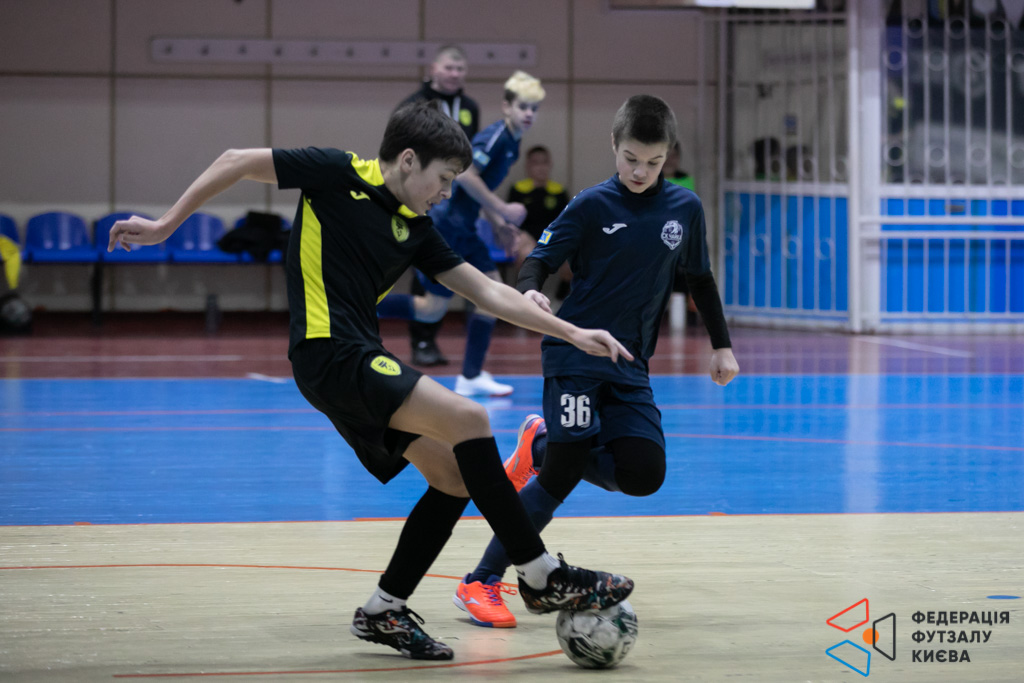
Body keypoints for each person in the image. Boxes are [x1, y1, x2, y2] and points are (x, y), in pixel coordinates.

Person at [106, 100, 635, 661]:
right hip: (329, 353)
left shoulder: (417, 229)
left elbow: (488, 292)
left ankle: (384, 610)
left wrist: (570, 331)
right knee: (470, 418)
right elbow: (236, 160)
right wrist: (164, 226)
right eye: (443, 178)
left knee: (454, 476)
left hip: (353, 360)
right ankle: (539, 573)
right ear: (408, 160)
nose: (445, 193)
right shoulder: (336, 172)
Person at [450, 95, 740, 629]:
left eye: (653, 162)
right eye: (631, 158)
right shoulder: (590, 205)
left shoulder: (685, 208)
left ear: (668, 155)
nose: (640, 171)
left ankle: (540, 444)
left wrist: (721, 345)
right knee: (561, 475)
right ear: (614, 145)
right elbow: (538, 260)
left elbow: (699, 277)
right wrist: (532, 291)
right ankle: (480, 581)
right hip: (575, 353)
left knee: (644, 473)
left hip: (630, 364)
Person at [377, 71, 542, 397]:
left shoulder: (513, 141)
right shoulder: (496, 137)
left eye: (534, 109)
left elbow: (478, 190)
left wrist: (497, 222)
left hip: (463, 227)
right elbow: (465, 175)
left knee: (446, 306)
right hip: (448, 225)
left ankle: (470, 376)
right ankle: (359, 303)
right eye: (523, 106)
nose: (528, 113)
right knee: (457, 302)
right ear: (506, 106)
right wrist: (502, 208)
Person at [396, 45, 480, 366]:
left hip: (458, 206)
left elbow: (470, 159)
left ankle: (436, 342)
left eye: (460, 69)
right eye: (449, 68)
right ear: (433, 68)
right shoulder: (414, 105)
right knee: (424, 268)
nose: (454, 74)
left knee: (445, 269)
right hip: (420, 199)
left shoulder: (469, 107)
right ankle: (420, 340)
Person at [506, 145, 572, 302]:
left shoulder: (559, 191)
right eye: (536, 163)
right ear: (528, 166)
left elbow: (568, 222)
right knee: (526, 257)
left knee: (573, 259)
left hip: (553, 238)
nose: (541, 167)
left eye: (544, 162)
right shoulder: (518, 189)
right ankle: (526, 299)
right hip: (527, 236)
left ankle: (560, 299)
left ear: (550, 164)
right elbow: (510, 222)